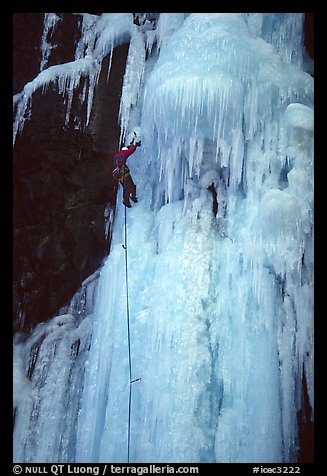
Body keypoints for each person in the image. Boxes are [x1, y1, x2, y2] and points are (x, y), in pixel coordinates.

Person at [113, 140, 141, 208]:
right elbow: (130, 151)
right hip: (124, 175)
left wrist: (130, 145)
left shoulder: (117, 155)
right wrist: (135, 145)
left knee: (130, 186)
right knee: (128, 188)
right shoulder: (124, 153)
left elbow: (128, 149)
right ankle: (127, 200)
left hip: (120, 175)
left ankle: (132, 196)